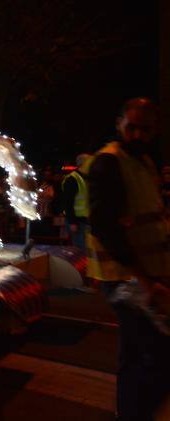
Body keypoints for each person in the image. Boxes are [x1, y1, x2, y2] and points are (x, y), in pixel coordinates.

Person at [86, 97, 170, 419]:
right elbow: (106, 227)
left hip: (143, 276)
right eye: (131, 127)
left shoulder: (143, 161)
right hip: (127, 278)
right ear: (119, 123)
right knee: (148, 355)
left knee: (144, 354)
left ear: (155, 130)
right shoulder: (109, 162)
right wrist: (146, 281)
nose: (137, 134)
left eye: (145, 129)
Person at [61, 154, 91, 250]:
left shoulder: (84, 178)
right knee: (82, 250)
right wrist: (72, 222)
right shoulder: (72, 179)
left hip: (84, 220)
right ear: (83, 164)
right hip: (77, 221)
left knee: (86, 249)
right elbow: (68, 202)